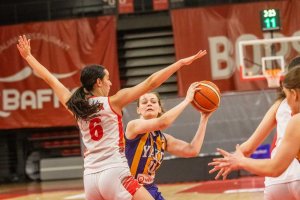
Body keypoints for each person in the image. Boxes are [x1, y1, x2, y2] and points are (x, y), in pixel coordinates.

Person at [17, 35, 207, 200]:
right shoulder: (113, 102)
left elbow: (50, 79)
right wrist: (180, 63)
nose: (109, 82)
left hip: (90, 177)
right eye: (107, 79)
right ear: (98, 82)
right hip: (114, 172)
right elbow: (150, 83)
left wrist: (29, 57)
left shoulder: (75, 106)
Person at [208, 65, 300, 200]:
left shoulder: (291, 116)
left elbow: (274, 167)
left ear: (294, 93)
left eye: (286, 95)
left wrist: (239, 161)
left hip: (277, 181)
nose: (288, 105)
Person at [125, 82, 213, 200]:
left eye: (153, 101)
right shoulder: (133, 126)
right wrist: (187, 100)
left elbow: (192, 150)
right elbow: (163, 122)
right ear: (138, 110)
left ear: (159, 108)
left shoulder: (163, 139)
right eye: (144, 102)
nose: (149, 104)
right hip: (129, 189)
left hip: (150, 188)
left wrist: (204, 119)